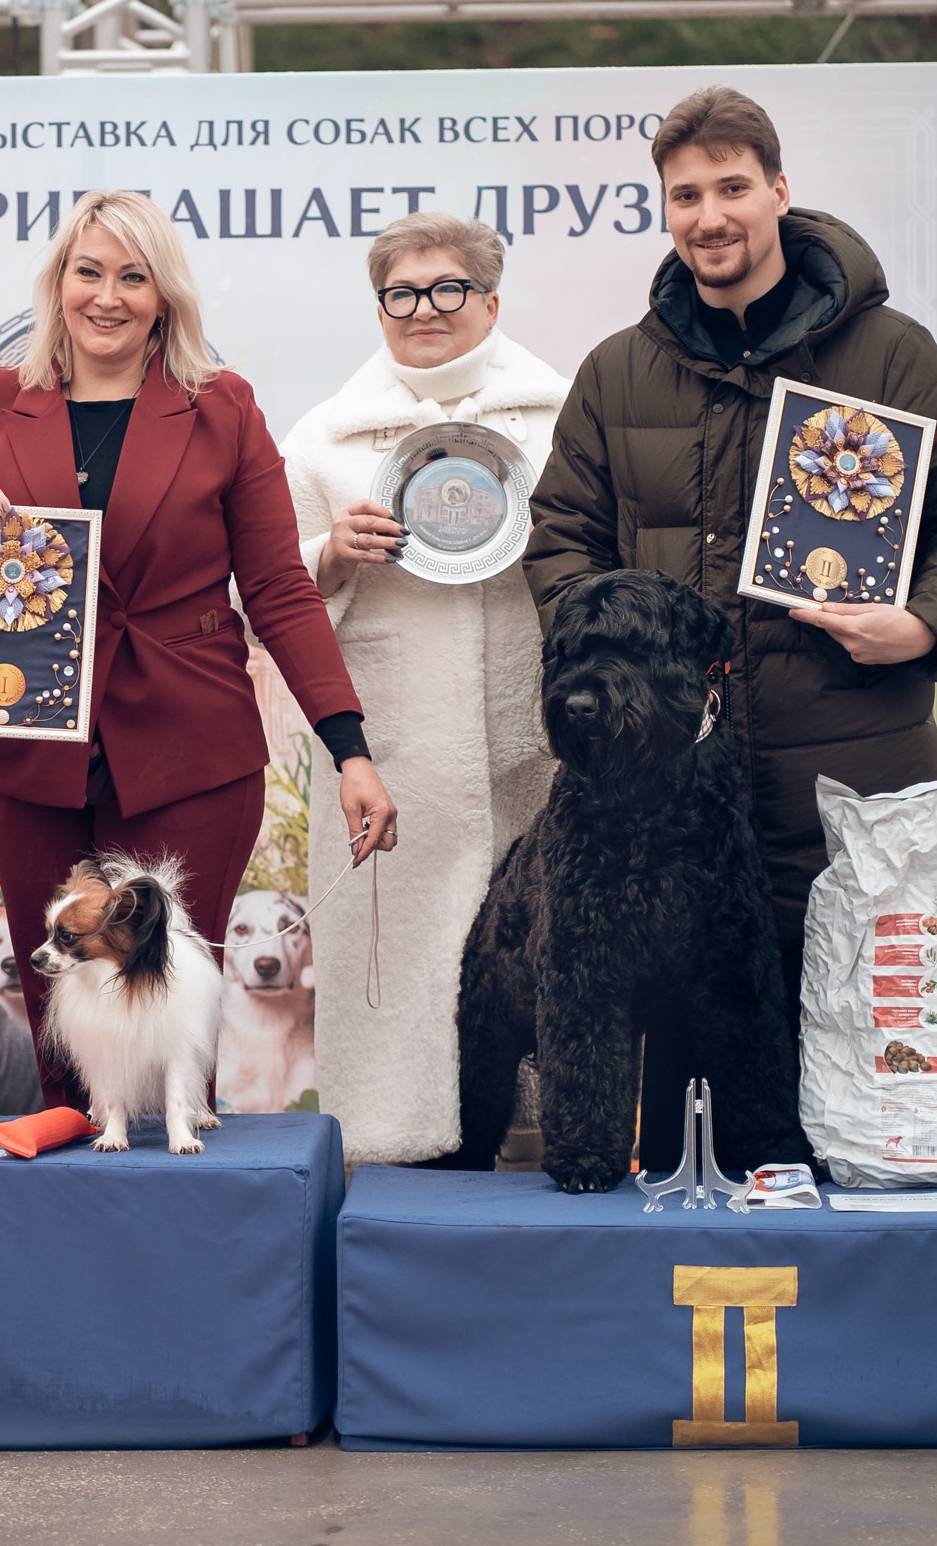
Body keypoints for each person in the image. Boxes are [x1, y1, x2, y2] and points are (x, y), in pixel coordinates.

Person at [525, 85, 937, 1157]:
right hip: (661, 795)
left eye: (732, 187)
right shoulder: (616, 370)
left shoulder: (889, 354)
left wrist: (926, 624)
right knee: (677, 1127)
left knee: (847, 1086)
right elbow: (560, 534)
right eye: (684, 194)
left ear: (780, 191)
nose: (710, 214)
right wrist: (615, 643)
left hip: (839, 774)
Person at [0, 189, 400, 1112]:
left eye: (132, 276)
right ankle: (68, 1205)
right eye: (87, 272)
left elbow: (279, 591)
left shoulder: (223, 409)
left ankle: (178, 1218)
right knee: (63, 1015)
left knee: (173, 1019)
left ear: (164, 295)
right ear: (56, 285)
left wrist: (351, 750)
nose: (108, 296)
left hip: (192, 755)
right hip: (32, 757)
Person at [281, 212, 567, 1164]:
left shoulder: (561, 415)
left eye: (447, 289)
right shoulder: (324, 435)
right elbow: (268, 589)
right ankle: (394, 1151)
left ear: (491, 298)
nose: (424, 311)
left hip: (535, 745)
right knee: (400, 968)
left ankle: (552, 1143)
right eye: (402, 294)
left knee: (544, 954)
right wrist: (332, 551)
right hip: (388, 755)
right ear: (379, 307)